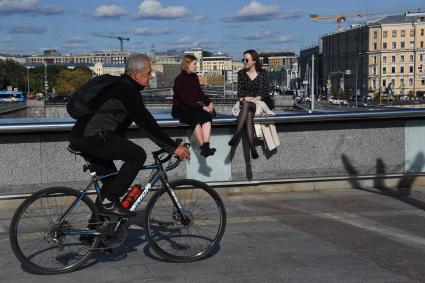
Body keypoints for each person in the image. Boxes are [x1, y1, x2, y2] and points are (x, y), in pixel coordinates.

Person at [69, 54, 190, 217]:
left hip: (84, 136)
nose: (151, 76)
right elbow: (146, 123)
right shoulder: (126, 90)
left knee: (110, 184)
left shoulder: (122, 86)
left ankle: (93, 233)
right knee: (137, 155)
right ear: (135, 74)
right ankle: (110, 202)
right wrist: (173, 147)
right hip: (92, 137)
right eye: (148, 73)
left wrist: (169, 145)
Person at [228, 49, 270, 159]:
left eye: (246, 60)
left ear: (254, 61)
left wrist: (255, 99)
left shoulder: (262, 74)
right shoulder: (241, 74)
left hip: (259, 103)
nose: (244, 62)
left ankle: (236, 135)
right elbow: (240, 92)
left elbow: (265, 92)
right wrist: (244, 98)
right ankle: (252, 148)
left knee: (247, 106)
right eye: (243, 60)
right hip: (245, 103)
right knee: (249, 113)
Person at [172, 54, 216, 157]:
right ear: (187, 64)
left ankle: (206, 147)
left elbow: (199, 93)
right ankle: (203, 148)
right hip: (180, 109)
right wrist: (203, 107)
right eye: (195, 64)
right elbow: (184, 100)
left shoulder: (194, 77)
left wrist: (209, 102)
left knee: (207, 116)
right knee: (195, 118)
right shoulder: (179, 80)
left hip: (191, 108)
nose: (196, 66)